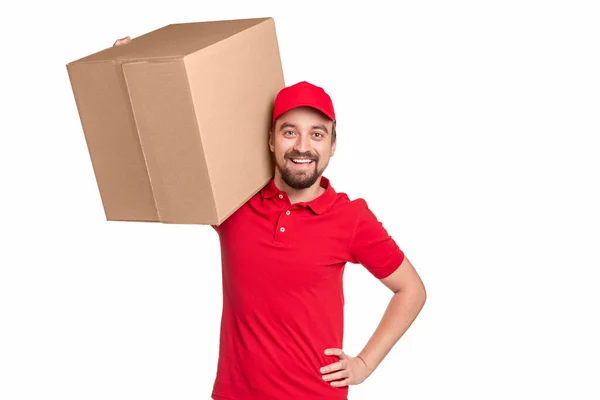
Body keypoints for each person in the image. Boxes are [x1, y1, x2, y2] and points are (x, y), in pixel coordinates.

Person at [115, 36, 427, 400]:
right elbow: (173, 152)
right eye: (289, 132)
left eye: (317, 134)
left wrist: (364, 364)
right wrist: (140, 74)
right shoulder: (235, 203)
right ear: (271, 140)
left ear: (332, 145)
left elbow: (412, 290)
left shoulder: (351, 217)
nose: (302, 146)